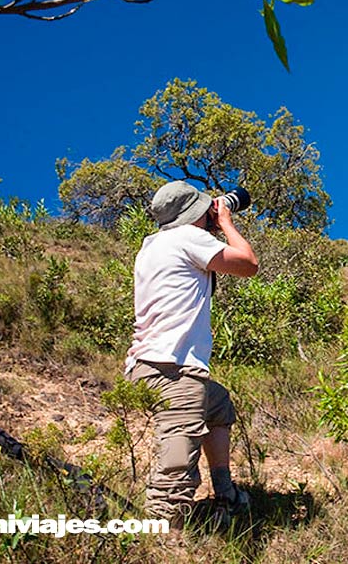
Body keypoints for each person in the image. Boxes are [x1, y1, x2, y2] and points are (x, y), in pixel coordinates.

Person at [125, 181, 259, 529]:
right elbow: (248, 263)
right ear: (191, 215)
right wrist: (225, 222)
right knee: (173, 480)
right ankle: (160, 537)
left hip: (145, 366)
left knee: (218, 403)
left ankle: (225, 493)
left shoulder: (151, 245)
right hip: (174, 371)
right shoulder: (188, 237)